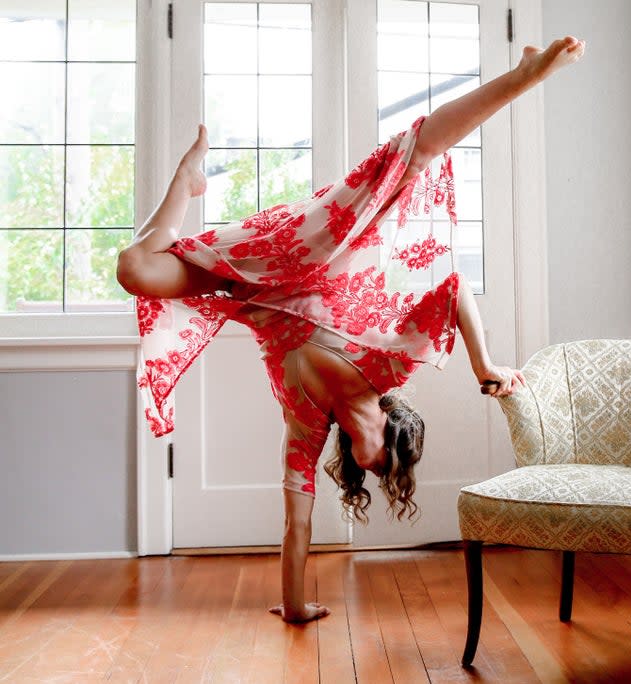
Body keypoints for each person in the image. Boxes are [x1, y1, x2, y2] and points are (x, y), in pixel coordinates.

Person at [117, 37, 585, 623]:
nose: (375, 471)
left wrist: (294, 607)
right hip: (319, 249)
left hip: (252, 285)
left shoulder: (308, 425)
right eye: (389, 465)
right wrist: (483, 365)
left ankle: (186, 184)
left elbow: (297, 520)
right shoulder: (389, 366)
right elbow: (453, 288)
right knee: (409, 156)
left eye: (382, 473)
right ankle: (524, 78)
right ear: (390, 431)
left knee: (134, 269)